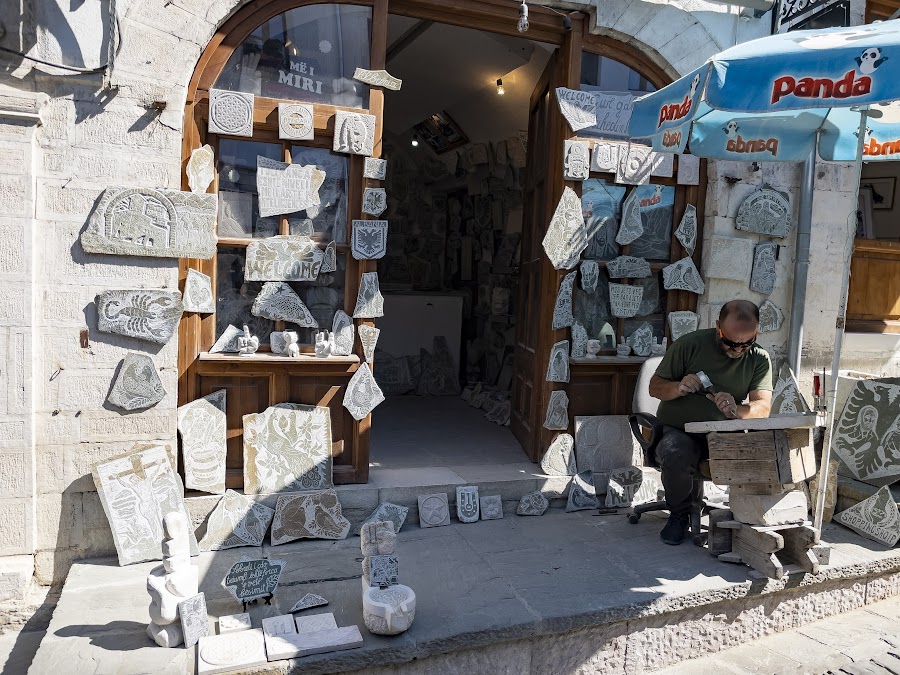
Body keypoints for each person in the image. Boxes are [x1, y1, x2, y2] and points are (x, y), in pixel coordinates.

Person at [648, 300, 773, 545]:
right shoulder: (689, 345)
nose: (737, 350)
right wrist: (678, 387)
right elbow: (654, 388)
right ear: (718, 327)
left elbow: (763, 408)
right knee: (677, 452)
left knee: (761, 452)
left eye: (745, 343)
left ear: (756, 333)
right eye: (730, 342)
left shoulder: (759, 358)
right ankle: (679, 514)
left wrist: (737, 409)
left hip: (722, 433)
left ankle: (749, 516)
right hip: (678, 429)